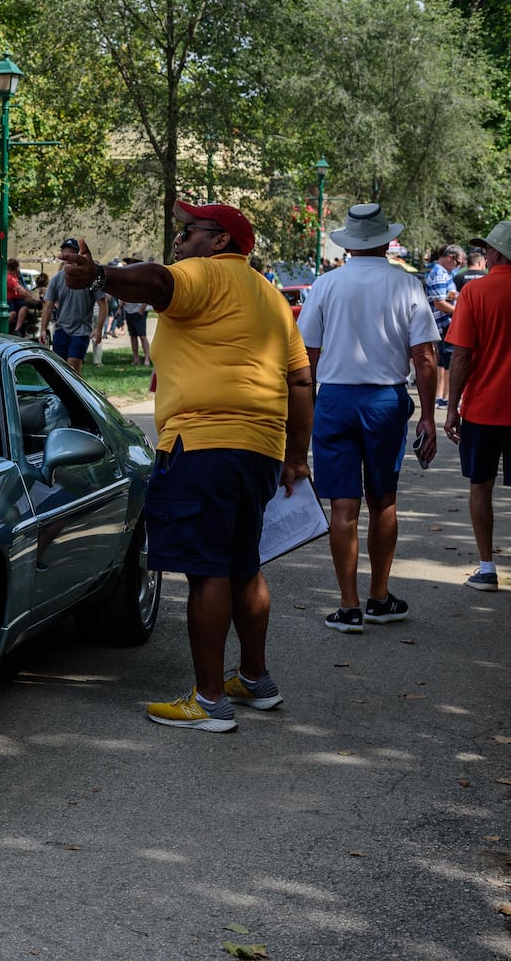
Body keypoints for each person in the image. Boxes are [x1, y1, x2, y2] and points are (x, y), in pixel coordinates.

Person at [60, 202, 313, 733]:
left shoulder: (204, 273)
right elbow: (300, 382)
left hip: (203, 445)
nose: (179, 240)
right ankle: (255, 679)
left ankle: (210, 700)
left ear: (219, 242)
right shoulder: (269, 294)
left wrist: (101, 275)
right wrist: (295, 456)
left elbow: (155, 282)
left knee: (208, 571)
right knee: (244, 563)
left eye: (189, 231)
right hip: (261, 449)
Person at [296, 204, 439, 632]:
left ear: (349, 244)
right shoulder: (407, 284)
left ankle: (348, 605)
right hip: (384, 400)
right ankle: (379, 596)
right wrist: (428, 416)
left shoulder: (326, 285)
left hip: (336, 398)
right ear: (383, 240)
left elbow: (308, 357)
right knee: (383, 500)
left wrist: (301, 419)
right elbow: (426, 358)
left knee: (343, 504)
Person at [445, 221, 511, 592]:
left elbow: (462, 357)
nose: (484, 256)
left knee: (480, 486)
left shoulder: (475, 293)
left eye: (487, 250)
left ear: (497, 254)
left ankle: (486, 568)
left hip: (484, 410)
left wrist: (452, 407)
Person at [39, 238, 108, 375]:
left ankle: (77, 395)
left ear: (79, 256)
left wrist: (99, 329)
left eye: (71, 253)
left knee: (72, 369)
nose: (68, 257)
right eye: (65, 254)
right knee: (60, 371)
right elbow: (48, 306)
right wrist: (42, 329)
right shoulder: (57, 279)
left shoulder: (91, 278)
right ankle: (67, 396)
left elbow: (103, 303)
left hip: (81, 330)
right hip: (61, 329)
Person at [424, 244, 461, 407]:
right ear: (450, 257)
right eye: (459, 262)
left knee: (444, 362)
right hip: (444, 325)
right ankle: (446, 398)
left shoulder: (442, 273)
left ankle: (442, 397)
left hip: (443, 325)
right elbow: (440, 303)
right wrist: (460, 313)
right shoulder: (440, 274)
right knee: (449, 363)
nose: (459, 266)